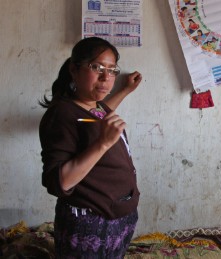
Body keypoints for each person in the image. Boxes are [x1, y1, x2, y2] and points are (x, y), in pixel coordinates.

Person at [38, 37, 143, 258]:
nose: (106, 77)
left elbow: (98, 115)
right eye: (97, 67)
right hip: (90, 223)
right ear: (74, 70)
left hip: (118, 217)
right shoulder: (61, 115)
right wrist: (103, 143)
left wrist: (125, 90)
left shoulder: (94, 107)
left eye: (112, 70)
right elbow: (59, 182)